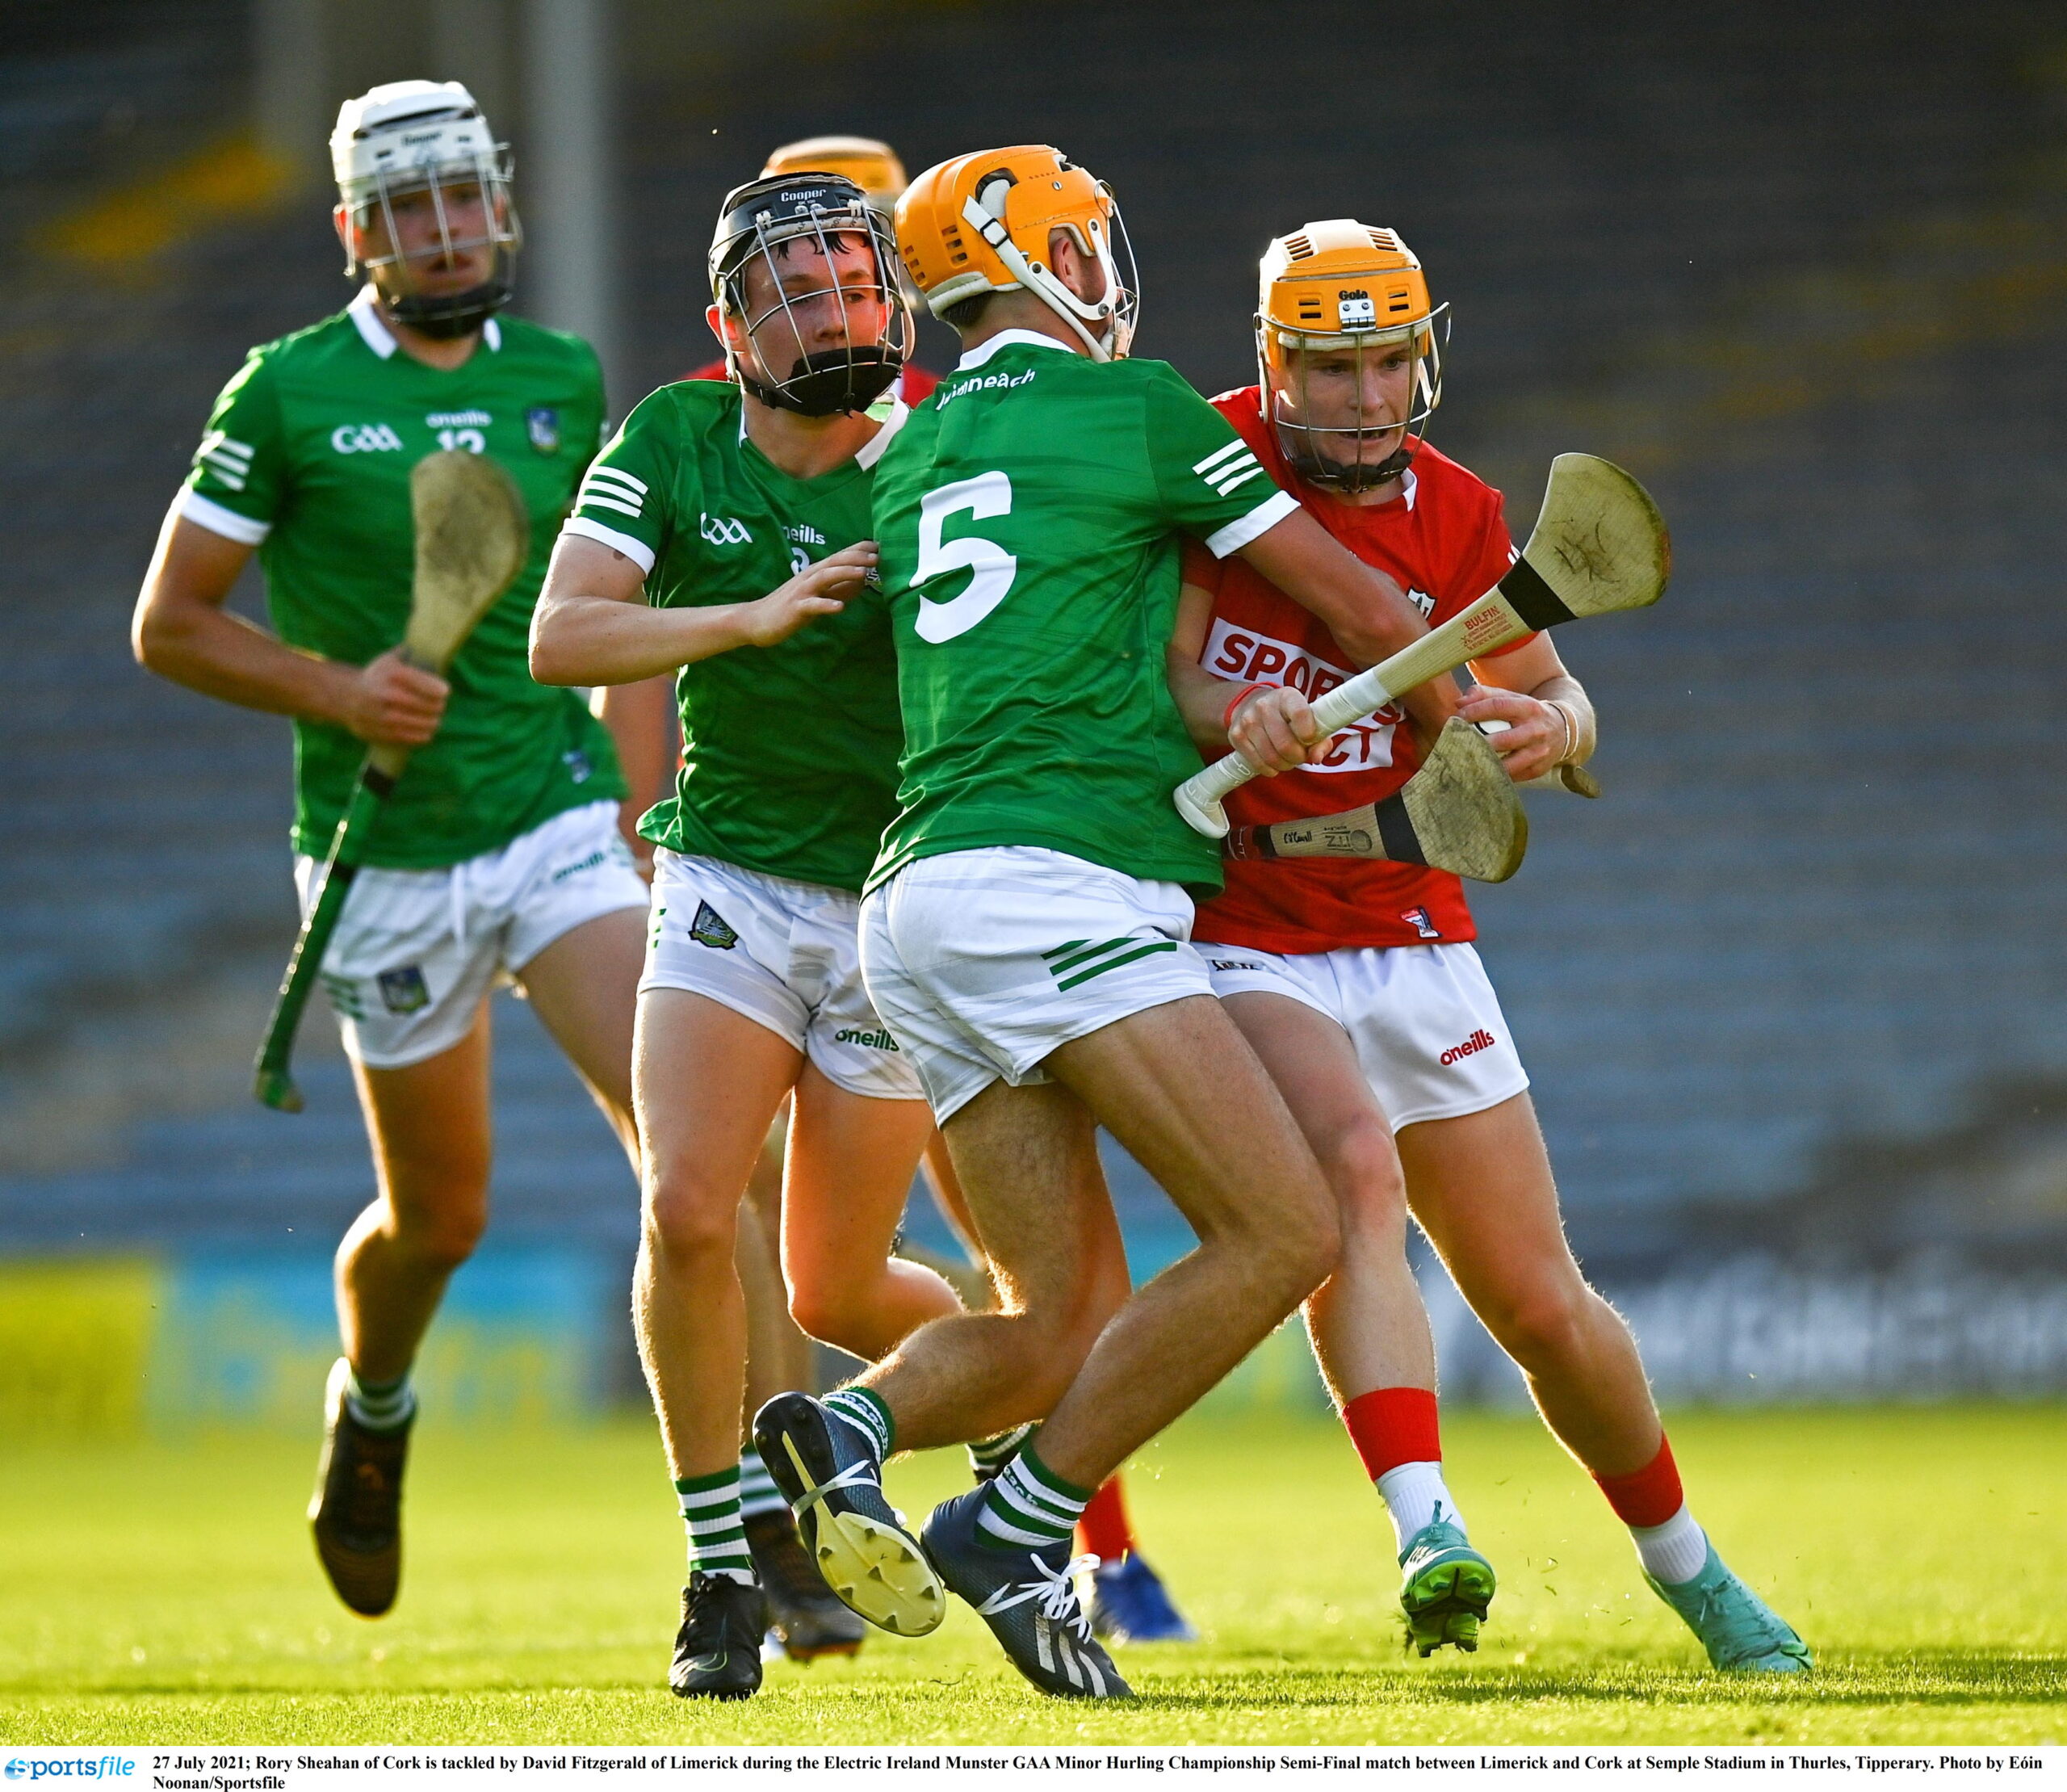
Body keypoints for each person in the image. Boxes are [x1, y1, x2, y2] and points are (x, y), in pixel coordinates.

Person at [751, 145, 1465, 1701]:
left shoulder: (916, 452)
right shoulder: (1139, 410)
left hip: (914, 905)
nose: (1106, 262)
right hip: (1054, 885)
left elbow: (1114, 649)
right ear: (1041, 253)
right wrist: (1480, 700)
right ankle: (1021, 1526)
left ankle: (844, 1426)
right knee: (1283, 1229)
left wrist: (1216, 709)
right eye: (1085, 238)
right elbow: (1344, 597)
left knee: (1051, 1315)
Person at [1168, 219, 1811, 1673]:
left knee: (1539, 1297)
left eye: (1387, 357)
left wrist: (1554, 727)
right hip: (1241, 921)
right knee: (1352, 1173)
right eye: (1330, 365)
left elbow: (1551, 687)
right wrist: (1223, 716)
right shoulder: (1202, 464)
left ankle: (1688, 1565)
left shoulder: (1460, 509)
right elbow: (1172, 668)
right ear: (1275, 363)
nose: (1363, 390)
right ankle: (1428, 1524)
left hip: (1409, 921)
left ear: (1424, 355)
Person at [130, 81, 652, 1622]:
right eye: (405, 211)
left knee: (691, 1146)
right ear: (359, 231)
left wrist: (633, 809)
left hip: (556, 818)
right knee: (443, 1218)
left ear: (503, 201)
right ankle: (374, 1405)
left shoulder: (565, 375)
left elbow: (608, 624)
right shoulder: (281, 394)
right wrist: (337, 686)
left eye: (461, 200)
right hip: (388, 853)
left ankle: (753, 1516)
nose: (442, 235)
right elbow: (172, 621)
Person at [530, 171, 968, 1700]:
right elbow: (562, 632)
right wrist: (748, 615)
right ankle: (722, 1566)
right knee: (688, 1209)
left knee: (842, 1288)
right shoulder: (669, 436)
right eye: (792, 293)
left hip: (891, 907)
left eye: (851, 285)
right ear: (728, 326)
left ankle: (1003, 1391)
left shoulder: (938, 454)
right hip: (724, 876)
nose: (832, 314)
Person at [680, 137, 939, 406]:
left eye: (881, 236)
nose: (834, 322)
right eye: (798, 298)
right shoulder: (689, 423)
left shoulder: (940, 413)